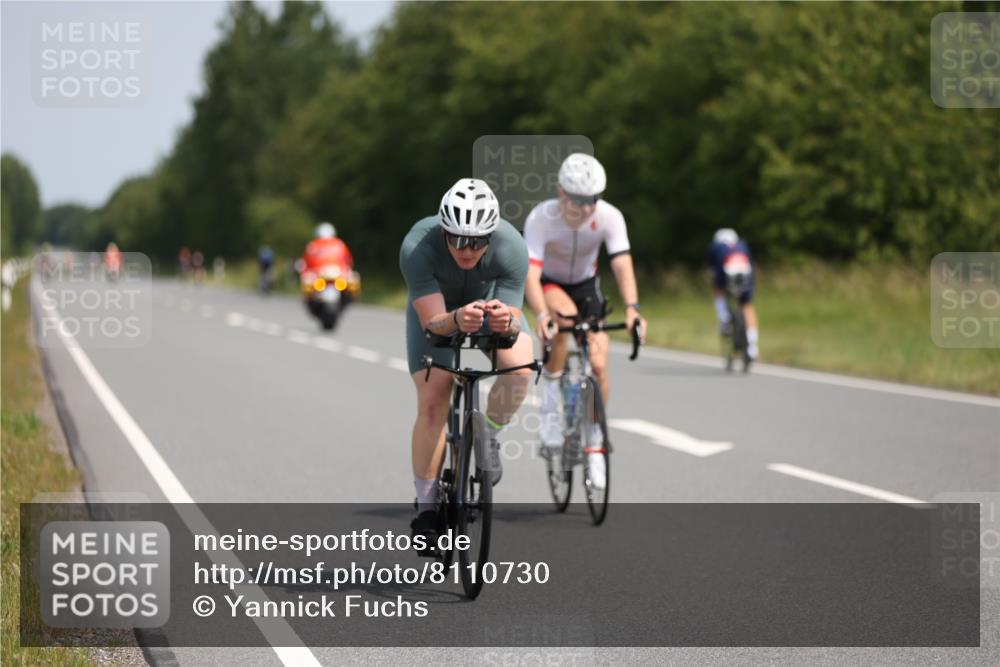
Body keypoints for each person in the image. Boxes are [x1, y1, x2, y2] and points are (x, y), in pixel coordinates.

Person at [400, 178, 532, 540]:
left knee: (520, 370)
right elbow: (432, 325)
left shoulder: (512, 246)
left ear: (491, 236)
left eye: (476, 241)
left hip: (489, 309)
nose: (467, 249)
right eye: (457, 239)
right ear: (444, 231)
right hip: (437, 318)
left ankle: (488, 432)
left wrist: (505, 321)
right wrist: (457, 319)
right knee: (433, 400)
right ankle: (426, 509)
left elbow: (514, 320)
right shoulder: (417, 246)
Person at [523, 153, 646, 490]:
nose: (586, 208)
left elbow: (621, 264)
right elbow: (529, 274)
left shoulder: (610, 217)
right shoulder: (541, 218)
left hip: (586, 285)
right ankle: (549, 410)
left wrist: (633, 308)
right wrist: (542, 315)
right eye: (578, 200)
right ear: (561, 192)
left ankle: (594, 441)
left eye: (593, 199)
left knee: (599, 363)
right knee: (562, 322)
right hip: (550, 284)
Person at [708, 228, 759, 360]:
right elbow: (751, 263)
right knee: (747, 305)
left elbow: (712, 267)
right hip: (745, 272)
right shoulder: (742, 244)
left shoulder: (716, 246)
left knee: (719, 291)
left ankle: (724, 319)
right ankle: (752, 346)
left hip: (726, 272)